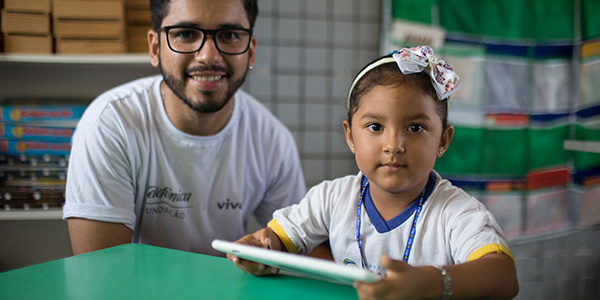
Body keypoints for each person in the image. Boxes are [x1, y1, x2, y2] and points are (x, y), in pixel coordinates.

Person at [228, 46, 519, 300]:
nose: (394, 145)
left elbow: (504, 277)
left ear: (443, 140)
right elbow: (279, 239)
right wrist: (259, 249)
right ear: (350, 136)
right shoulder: (331, 198)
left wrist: (430, 283)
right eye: (375, 127)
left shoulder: (456, 213)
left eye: (415, 128)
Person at [62, 0, 307, 257]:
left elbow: (300, 248)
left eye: (230, 35)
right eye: (186, 34)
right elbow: (103, 275)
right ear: (155, 48)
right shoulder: (110, 125)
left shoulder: (272, 139)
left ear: (251, 52)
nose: (209, 56)